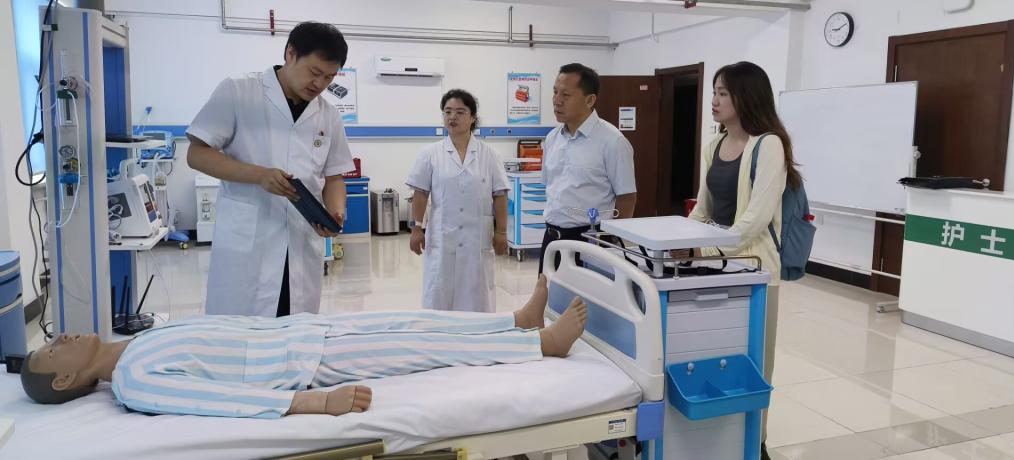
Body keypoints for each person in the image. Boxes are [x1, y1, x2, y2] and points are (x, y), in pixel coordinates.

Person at [20, 276, 588, 418]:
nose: (59, 339)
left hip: (300, 331)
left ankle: (513, 321)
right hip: (306, 364)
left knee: (414, 318)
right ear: (65, 380)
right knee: (421, 346)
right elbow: (219, 402)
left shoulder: (141, 339)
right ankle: (541, 346)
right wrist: (315, 402)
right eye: (52, 352)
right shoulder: (132, 381)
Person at [186, 22, 355, 318]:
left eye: (328, 78)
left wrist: (335, 212)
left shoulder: (328, 115)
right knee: (241, 331)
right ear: (290, 53)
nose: (319, 84)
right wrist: (260, 175)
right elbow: (197, 154)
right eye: (314, 72)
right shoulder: (239, 91)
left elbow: (334, 176)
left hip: (301, 242)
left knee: (296, 330)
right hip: (249, 244)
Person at [686, 61, 801, 459]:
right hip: (713, 267)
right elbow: (702, 209)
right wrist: (679, 240)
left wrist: (707, 249)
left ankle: (756, 442)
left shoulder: (768, 145)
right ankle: (721, 440)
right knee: (714, 355)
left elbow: (756, 219)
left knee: (755, 362)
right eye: (714, 92)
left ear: (746, 97)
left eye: (723, 93)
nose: (714, 100)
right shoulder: (713, 145)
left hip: (755, 270)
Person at [406, 89, 511, 312]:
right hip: (442, 236)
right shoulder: (430, 153)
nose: (452, 117)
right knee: (439, 290)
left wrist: (501, 232)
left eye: (460, 112)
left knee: (477, 293)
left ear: (473, 118)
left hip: (477, 238)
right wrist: (416, 229)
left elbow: (500, 195)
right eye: (447, 112)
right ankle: (439, 329)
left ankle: (477, 330)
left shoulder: (489, 155)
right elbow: (420, 193)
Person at [540, 63, 637, 273]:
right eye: (555, 92)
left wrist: (610, 241)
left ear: (590, 100)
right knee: (546, 293)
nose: (557, 100)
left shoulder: (612, 141)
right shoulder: (552, 138)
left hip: (591, 240)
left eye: (566, 94)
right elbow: (550, 186)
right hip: (552, 240)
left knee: (586, 296)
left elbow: (627, 197)